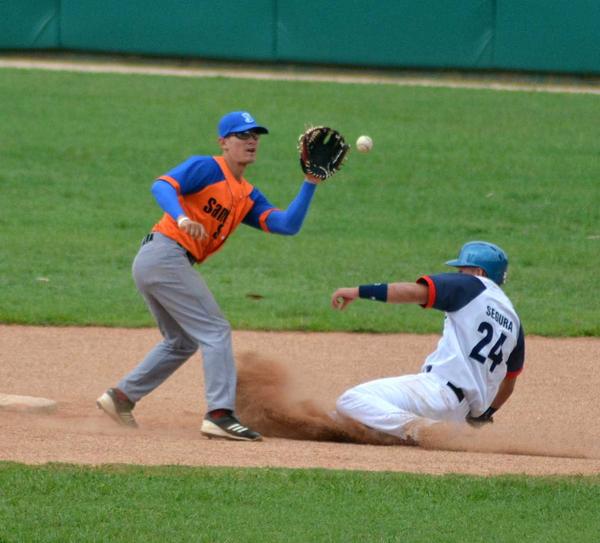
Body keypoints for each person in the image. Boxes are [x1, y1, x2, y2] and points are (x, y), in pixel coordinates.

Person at [97, 111, 324, 441]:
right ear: (223, 142)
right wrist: (180, 216)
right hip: (165, 254)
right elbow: (162, 185)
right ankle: (220, 415)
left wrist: (310, 184)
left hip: (161, 261)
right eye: (242, 135)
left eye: (255, 135)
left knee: (182, 341)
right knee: (215, 330)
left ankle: (120, 398)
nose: (251, 141)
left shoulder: (246, 195)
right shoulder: (207, 167)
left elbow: (286, 224)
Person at [330, 241, 525, 443]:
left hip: (437, 393)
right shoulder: (514, 321)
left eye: (461, 269)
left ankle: (421, 429)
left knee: (351, 401)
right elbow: (508, 383)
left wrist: (359, 291)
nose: (458, 274)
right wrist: (483, 415)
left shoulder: (471, 286)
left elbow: (413, 292)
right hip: (458, 415)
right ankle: (426, 430)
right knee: (344, 419)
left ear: (479, 271)